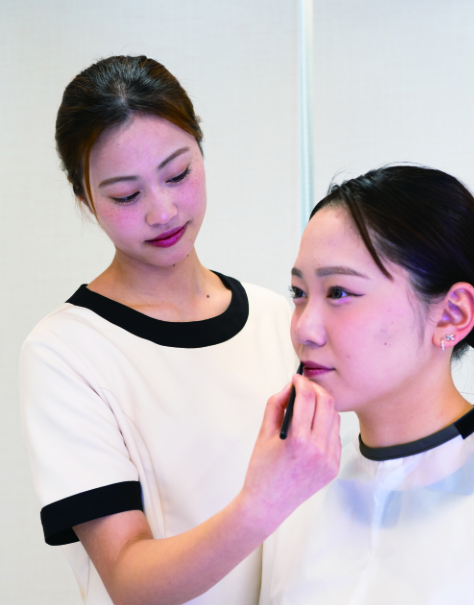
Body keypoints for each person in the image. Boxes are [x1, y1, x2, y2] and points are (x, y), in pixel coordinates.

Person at [20, 55, 341, 605]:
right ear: (85, 199)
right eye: (126, 195)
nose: (162, 211)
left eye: (177, 174)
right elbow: (130, 581)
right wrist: (260, 503)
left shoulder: (279, 320)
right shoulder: (66, 352)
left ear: (201, 152)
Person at [259, 165, 474, 605]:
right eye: (299, 293)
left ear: (452, 314)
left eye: (338, 292)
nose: (304, 328)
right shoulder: (297, 497)